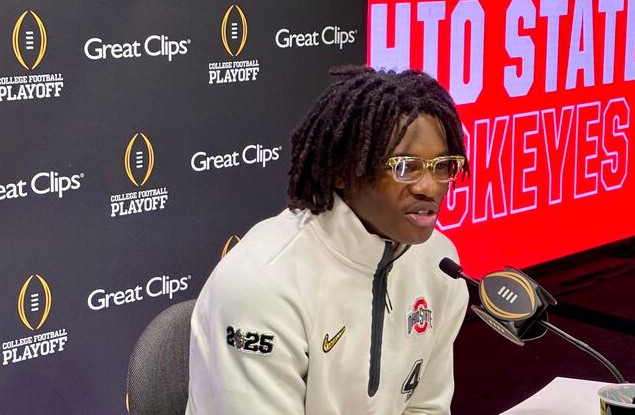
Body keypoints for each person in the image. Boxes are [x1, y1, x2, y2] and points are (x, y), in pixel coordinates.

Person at [186, 65, 470, 414]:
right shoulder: (262, 282)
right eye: (405, 167)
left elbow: (426, 408)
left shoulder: (440, 265)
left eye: (442, 166)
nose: (429, 187)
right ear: (342, 172)